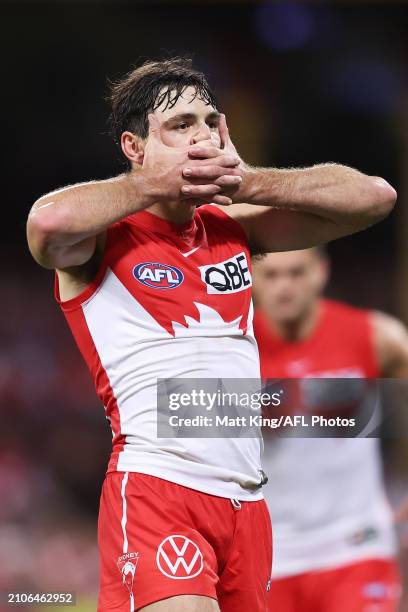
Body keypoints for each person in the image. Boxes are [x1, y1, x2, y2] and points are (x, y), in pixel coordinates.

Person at [26, 57, 396, 612]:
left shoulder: (233, 227)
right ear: (134, 145)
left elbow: (376, 197)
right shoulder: (102, 238)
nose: (199, 136)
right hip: (159, 487)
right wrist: (151, 183)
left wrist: (248, 180)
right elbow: (47, 224)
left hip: (248, 505)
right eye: (179, 126)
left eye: (207, 122)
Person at [253, 248, 408, 612]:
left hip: (355, 547)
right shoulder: (231, 348)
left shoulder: (373, 336)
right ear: (252, 279)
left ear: (320, 273)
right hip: (270, 557)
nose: (284, 287)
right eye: (272, 276)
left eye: (296, 273)